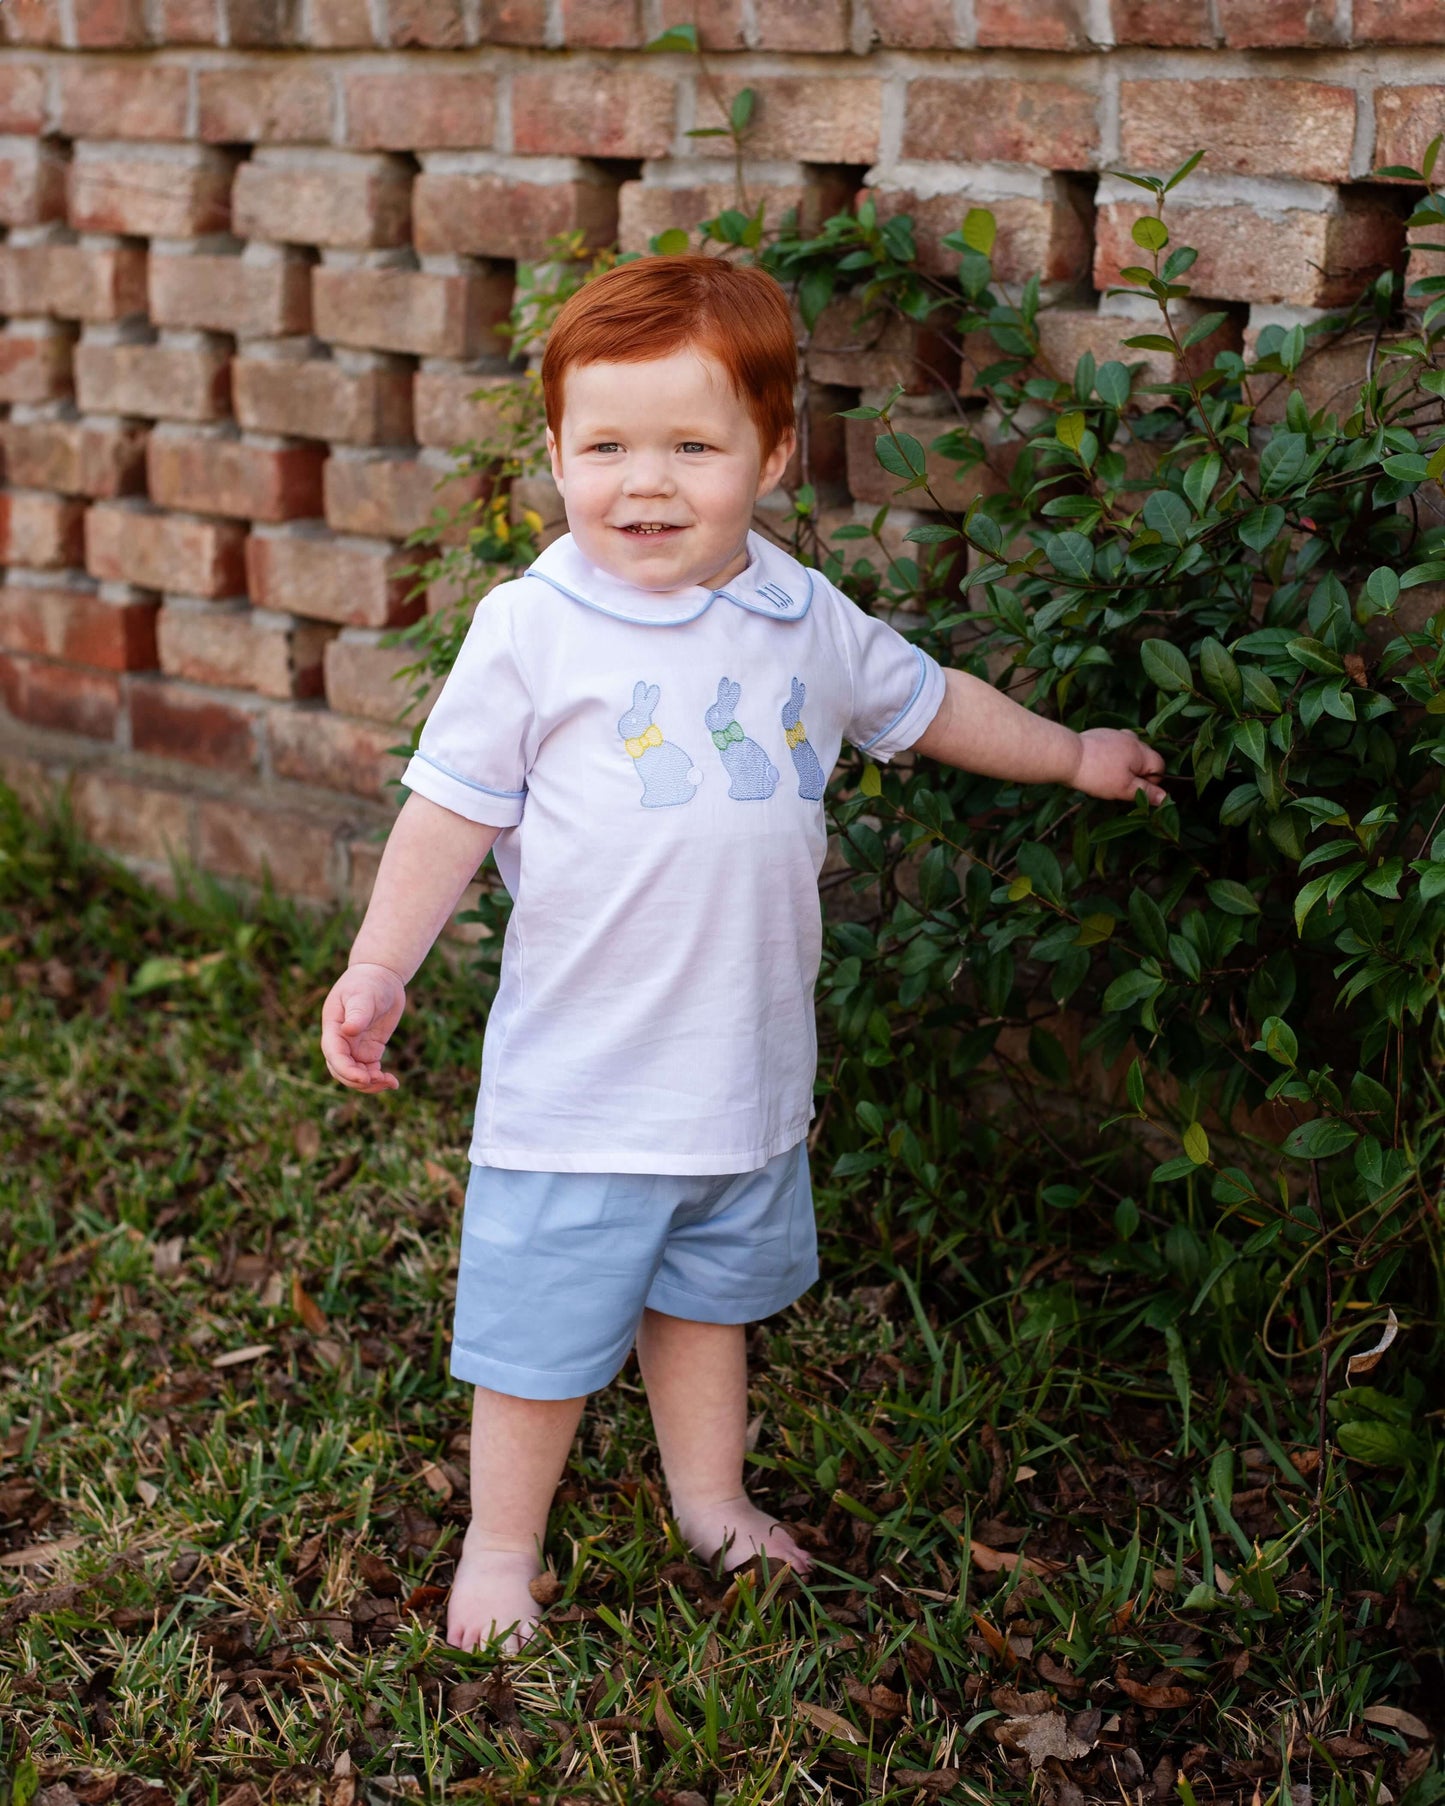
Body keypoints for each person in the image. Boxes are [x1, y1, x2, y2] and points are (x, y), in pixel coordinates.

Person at [319, 254, 1166, 1655]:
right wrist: (380, 964)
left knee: (706, 1302)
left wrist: (1068, 752)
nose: (642, 484)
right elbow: (449, 807)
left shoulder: (800, 618)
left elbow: (929, 700)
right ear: (552, 453)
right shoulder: (535, 628)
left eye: (690, 446)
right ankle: (500, 1548)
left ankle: (709, 1499)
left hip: (744, 1080)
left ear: (771, 453)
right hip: (583, 1096)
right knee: (537, 1345)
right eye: (603, 447)